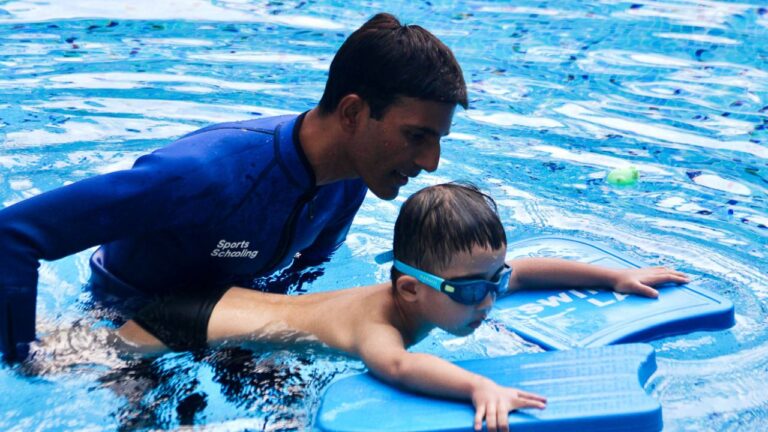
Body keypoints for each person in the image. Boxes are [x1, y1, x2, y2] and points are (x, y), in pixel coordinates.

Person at [0, 13, 468, 362]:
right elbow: (15, 232)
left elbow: (300, 280)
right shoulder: (204, 174)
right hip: (125, 331)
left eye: (437, 141)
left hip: (224, 324)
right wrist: (24, 357)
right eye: (417, 136)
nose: (431, 163)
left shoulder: (351, 182)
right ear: (352, 113)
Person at [117, 183, 690, 432]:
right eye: (472, 292)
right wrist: (476, 388)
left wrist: (615, 275)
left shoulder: (456, 290)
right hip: (173, 326)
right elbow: (396, 367)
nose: (489, 300)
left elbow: (533, 268)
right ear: (411, 290)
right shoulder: (381, 323)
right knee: (129, 399)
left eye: (498, 282)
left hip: (232, 317)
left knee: (277, 385)